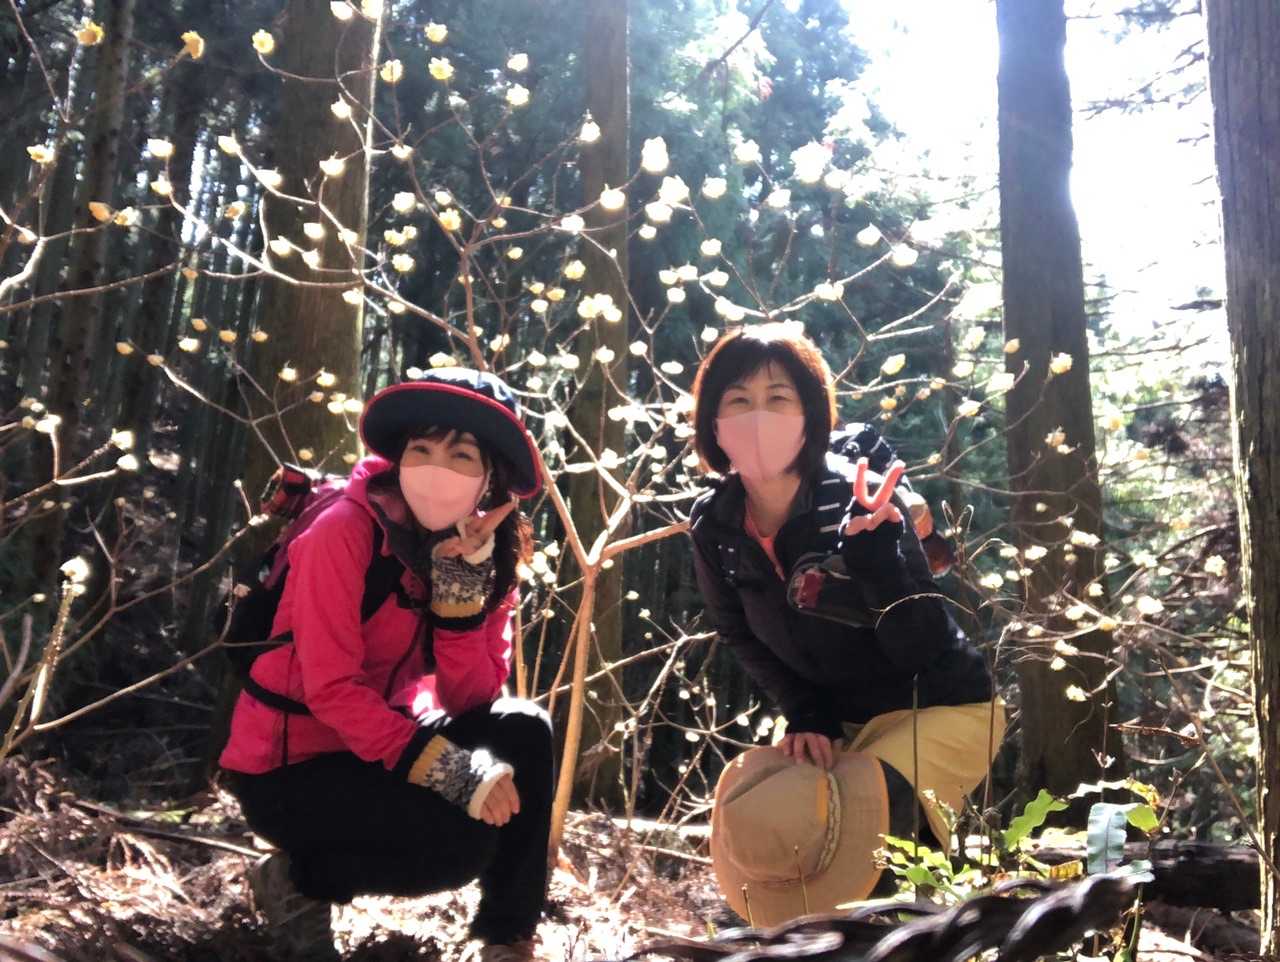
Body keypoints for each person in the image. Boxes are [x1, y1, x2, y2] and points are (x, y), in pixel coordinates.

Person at [219, 368, 552, 961]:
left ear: (491, 478)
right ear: (399, 458)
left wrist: (459, 594)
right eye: (421, 449)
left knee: (525, 727)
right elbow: (331, 689)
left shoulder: (491, 557)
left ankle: (509, 939)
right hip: (291, 768)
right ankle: (297, 880)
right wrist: (454, 773)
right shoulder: (342, 531)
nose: (436, 468)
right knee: (460, 845)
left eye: (461, 455)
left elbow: (471, 701)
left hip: (382, 747)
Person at [687, 323, 1005, 926]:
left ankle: (915, 936)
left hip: (937, 706)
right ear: (714, 423)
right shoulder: (714, 524)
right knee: (793, 827)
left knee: (877, 821)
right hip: (838, 718)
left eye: (779, 398)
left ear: (811, 415)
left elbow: (923, 648)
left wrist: (877, 559)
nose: (758, 417)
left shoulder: (862, 497)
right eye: (739, 400)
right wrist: (807, 711)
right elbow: (738, 633)